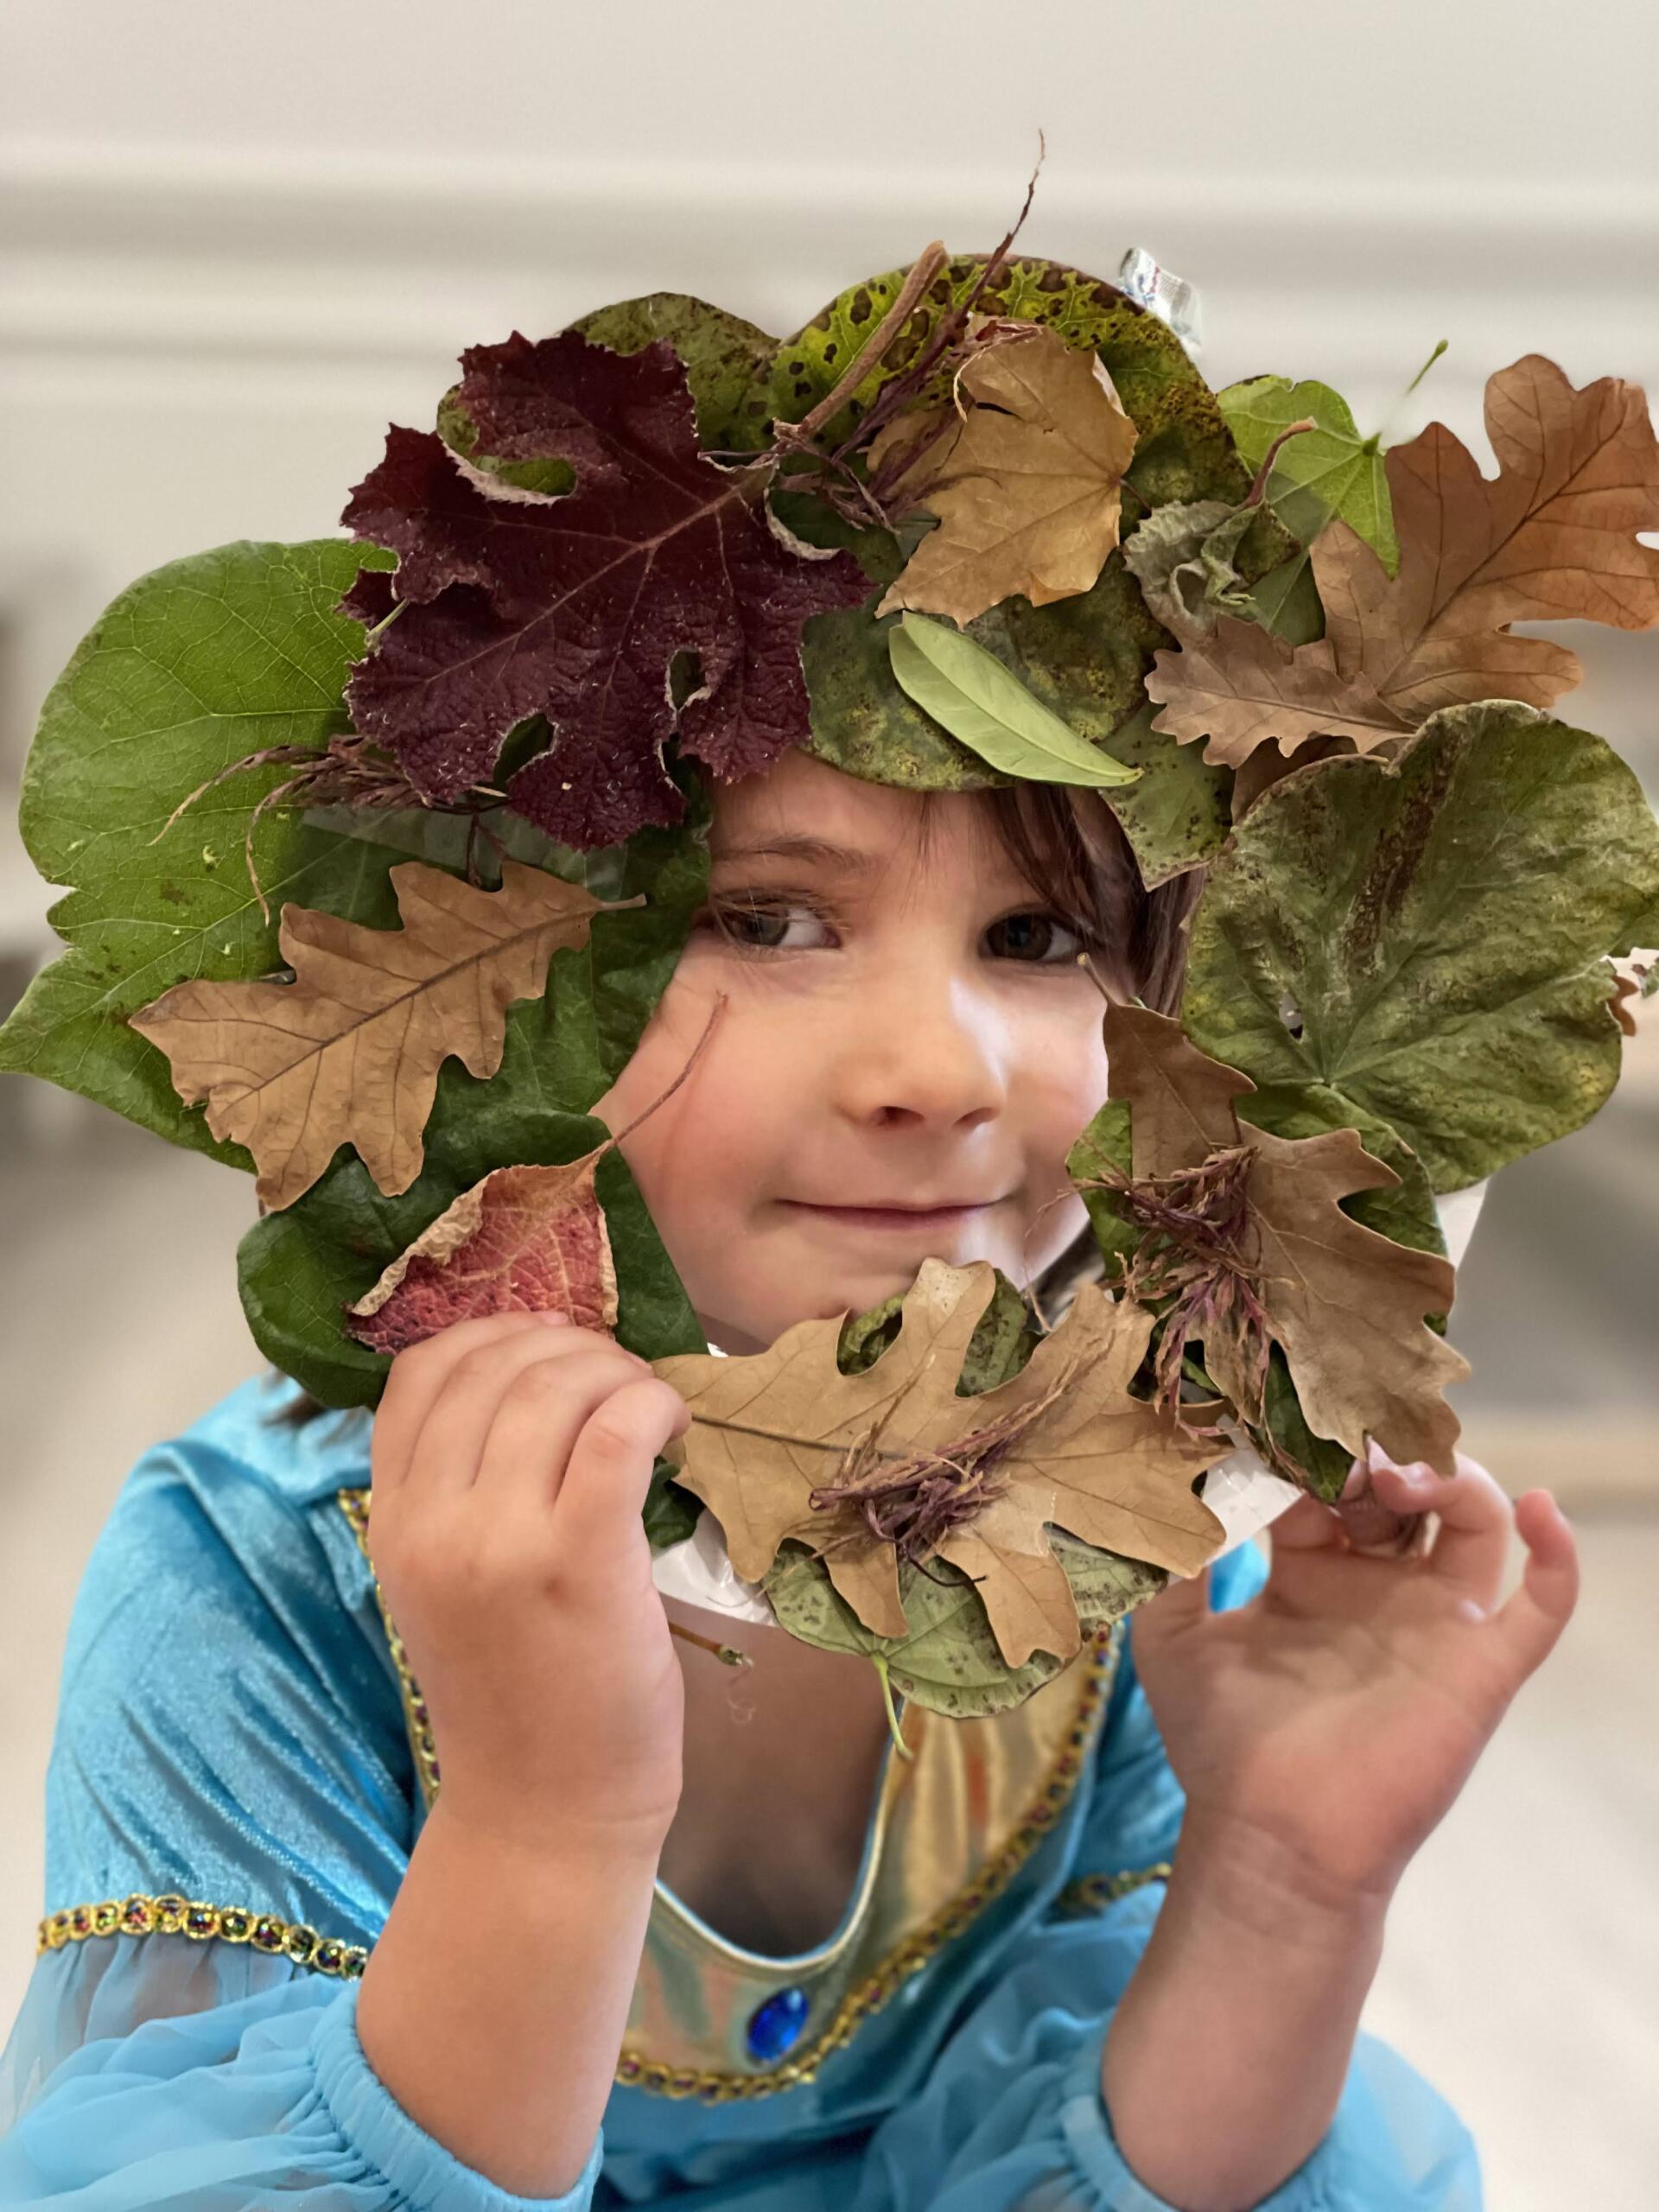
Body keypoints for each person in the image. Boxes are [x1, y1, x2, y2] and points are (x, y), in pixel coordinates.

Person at [1, 230, 1643, 2209]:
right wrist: (543, 1816)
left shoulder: (1127, 1542)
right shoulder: (258, 1583)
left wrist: (1286, 1880)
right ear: (500, 990)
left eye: (1041, 937)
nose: (938, 1065)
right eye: (770, 918)